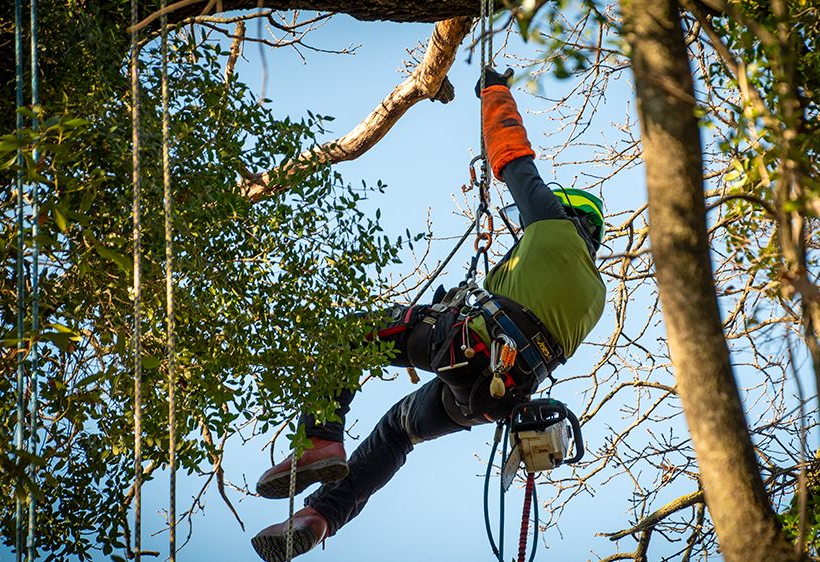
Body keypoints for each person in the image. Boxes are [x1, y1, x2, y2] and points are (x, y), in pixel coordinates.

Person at [250, 68, 607, 561]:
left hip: (469, 345)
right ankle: (320, 517)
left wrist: (495, 92)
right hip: (490, 398)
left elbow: (512, 157)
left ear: (566, 215)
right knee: (398, 431)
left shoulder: (552, 224)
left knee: (351, 335)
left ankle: (319, 438)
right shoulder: (596, 296)